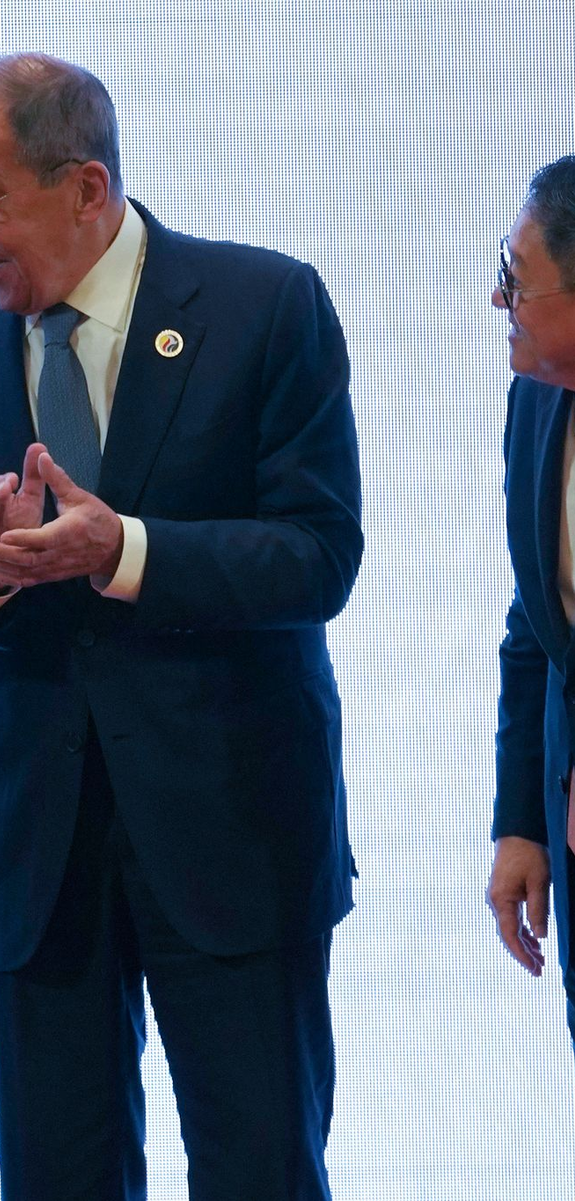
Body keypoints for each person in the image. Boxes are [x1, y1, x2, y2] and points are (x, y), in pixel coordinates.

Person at [0, 53, 362, 1199]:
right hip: (35, 855)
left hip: (235, 837)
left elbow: (319, 555)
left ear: (87, 187)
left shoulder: (263, 307)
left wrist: (125, 551)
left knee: (263, 1169)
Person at [487, 155, 575, 1043]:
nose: (498, 298)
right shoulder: (537, 399)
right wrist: (523, 822)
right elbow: (534, 626)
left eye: (517, 279)